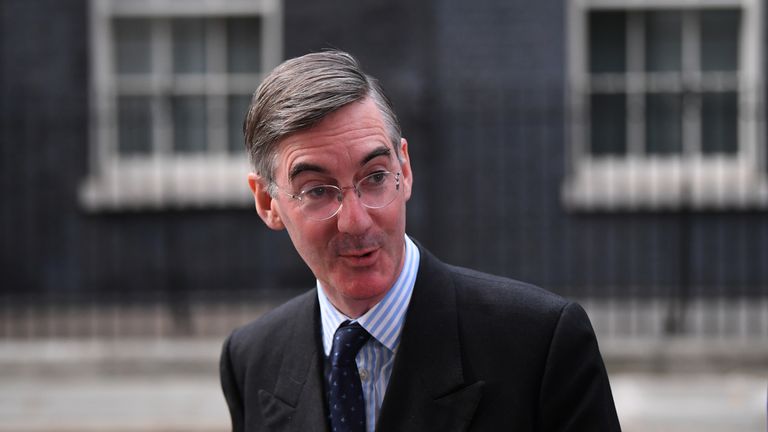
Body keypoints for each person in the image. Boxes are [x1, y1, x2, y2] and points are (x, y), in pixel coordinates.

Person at [220, 50, 621, 432]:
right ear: (267, 202)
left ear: (405, 169)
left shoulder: (540, 344)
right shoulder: (251, 360)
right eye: (318, 191)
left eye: (375, 177)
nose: (355, 221)